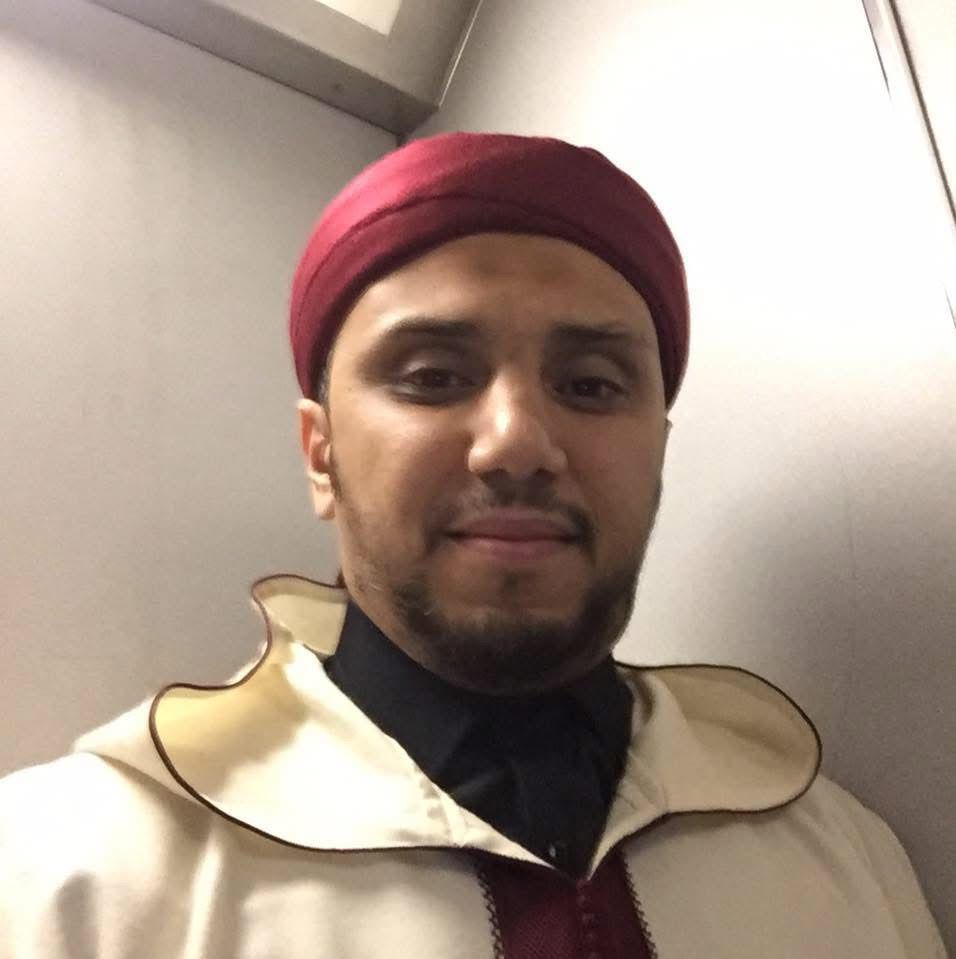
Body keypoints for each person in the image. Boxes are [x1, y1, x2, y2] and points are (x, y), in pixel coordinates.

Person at [0, 132, 945, 958]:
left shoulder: (845, 858)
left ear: (659, 448)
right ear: (321, 454)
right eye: (432, 375)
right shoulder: (63, 877)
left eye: (592, 384)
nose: (517, 443)